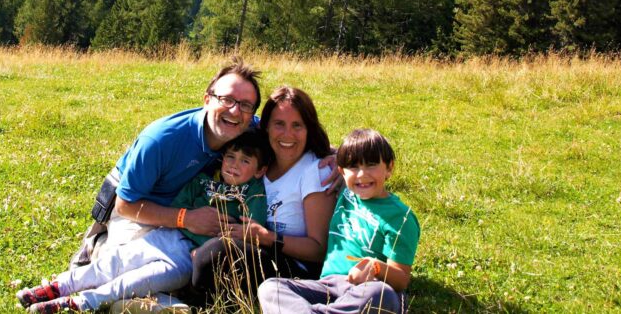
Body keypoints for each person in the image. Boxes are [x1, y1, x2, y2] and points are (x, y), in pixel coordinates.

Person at [17, 130, 274, 312]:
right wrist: (182, 221)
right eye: (230, 156)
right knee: (117, 262)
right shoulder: (203, 181)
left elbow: (248, 232)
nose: (234, 165)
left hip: (189, 258)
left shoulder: (253, 193)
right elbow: (179, 206)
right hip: (169, 236)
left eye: (245, 161)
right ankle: (58, 286)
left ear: (260, 170)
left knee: (136, 281)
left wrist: (208, 249)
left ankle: (78, 303)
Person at [69, 58, 263, 268]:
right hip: (140, 209)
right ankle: (99, 245)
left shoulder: (247, 128)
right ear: (207, 100)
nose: (235, 111)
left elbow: (285, 135)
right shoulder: (162, 139)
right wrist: (186, 218)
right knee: (133, 270)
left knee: (198, 268)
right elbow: (125, 204)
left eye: (245, 105)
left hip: (191, 206)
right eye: (226, 99)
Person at [257, 129, 420, 314]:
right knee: (271, 288)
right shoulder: (346, 194)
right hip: (328, 285)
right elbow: (319, 147)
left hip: (367, 287)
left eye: (372, 165)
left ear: (389, 168)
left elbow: (401, 279)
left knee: (382, 294)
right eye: (354, 167)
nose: (361, 175)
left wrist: (375, 266)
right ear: (341, 171)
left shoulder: (400, 217)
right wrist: (333, 154)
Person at [193, 85, 336, 292]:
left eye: (297, 125)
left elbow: (319, 249)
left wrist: (267, 237)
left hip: (295, 267)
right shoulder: (260, 162)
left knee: (217, 252)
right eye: (279, 124)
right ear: (266, 126)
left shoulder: (315, 171)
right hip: (256, 250)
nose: (288, 135)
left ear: (309, 129)